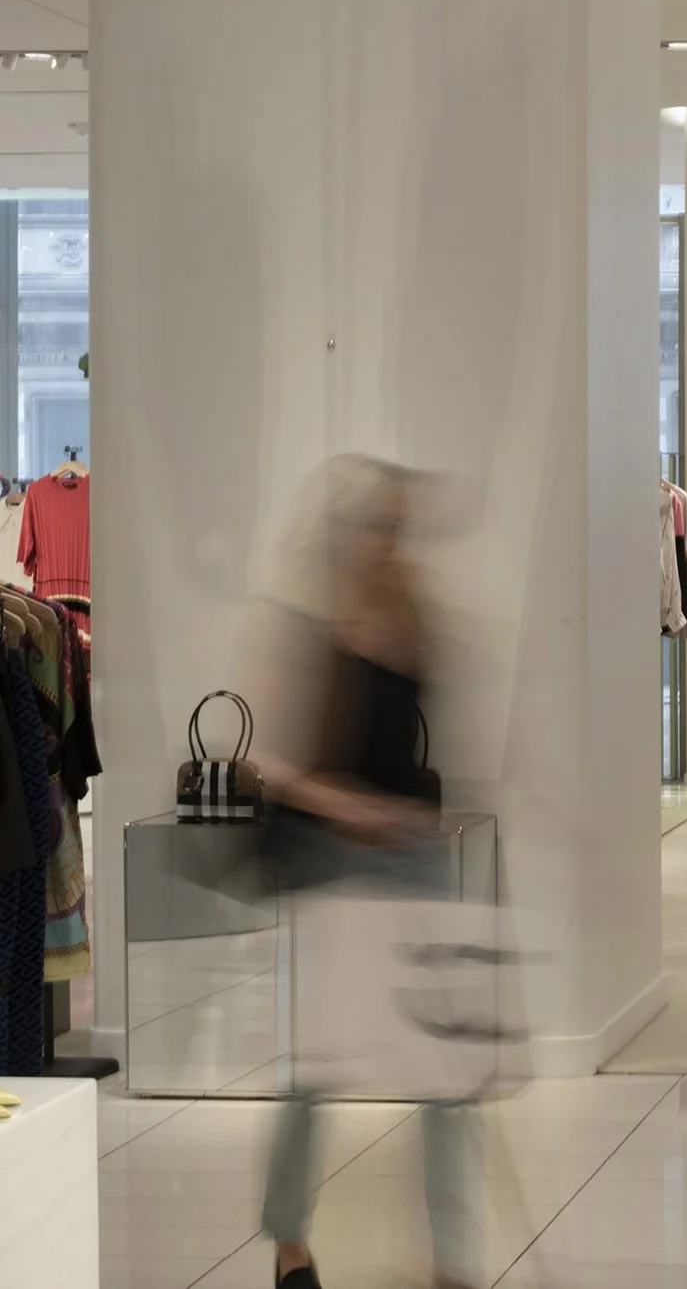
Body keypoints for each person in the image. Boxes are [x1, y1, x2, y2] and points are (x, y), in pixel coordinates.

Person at [252, 457, 479, 1289]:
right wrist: (347, 805)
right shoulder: (310, 624)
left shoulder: (415, 606)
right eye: (381, 523)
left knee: (446, 1072)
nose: (394, 538)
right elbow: (270, 765)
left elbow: (428, 728)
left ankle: (451, 1260)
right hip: (330, 859)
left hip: (413, 853)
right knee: (318, 1065)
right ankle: (291, 1244)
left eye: (400, 523)